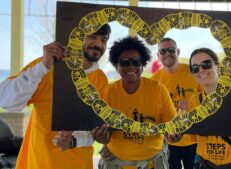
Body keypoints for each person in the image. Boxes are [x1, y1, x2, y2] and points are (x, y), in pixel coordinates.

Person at [54, 37, 182, 169]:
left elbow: (171, 127)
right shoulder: (106, 93)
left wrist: (174, 135)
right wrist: (100, 138)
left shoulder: (158, 89)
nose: (131, 66)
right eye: (125, 63)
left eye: (136, 62)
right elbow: (97, 133)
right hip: (115, 163)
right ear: (116, 66)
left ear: (142, 65)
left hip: (153, 163)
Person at [0, 24, 111, 169]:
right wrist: (43, 67)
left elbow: (93, 130)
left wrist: (74, 141)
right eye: (92, 37)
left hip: (80, 164)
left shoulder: (101, 79)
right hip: (40, 163)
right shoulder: (47, 65)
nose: (98, 44)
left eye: (103, 40)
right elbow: (7, 101)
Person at [152, 37, 202, 169]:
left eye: (171, 50)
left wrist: (191, 106)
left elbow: (207, 100)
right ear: (158, 55)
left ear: (178, 51)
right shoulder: (154, 81)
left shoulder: (194, 72)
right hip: (169, 141)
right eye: (163, 51)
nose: (167, 53)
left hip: (194, 139)